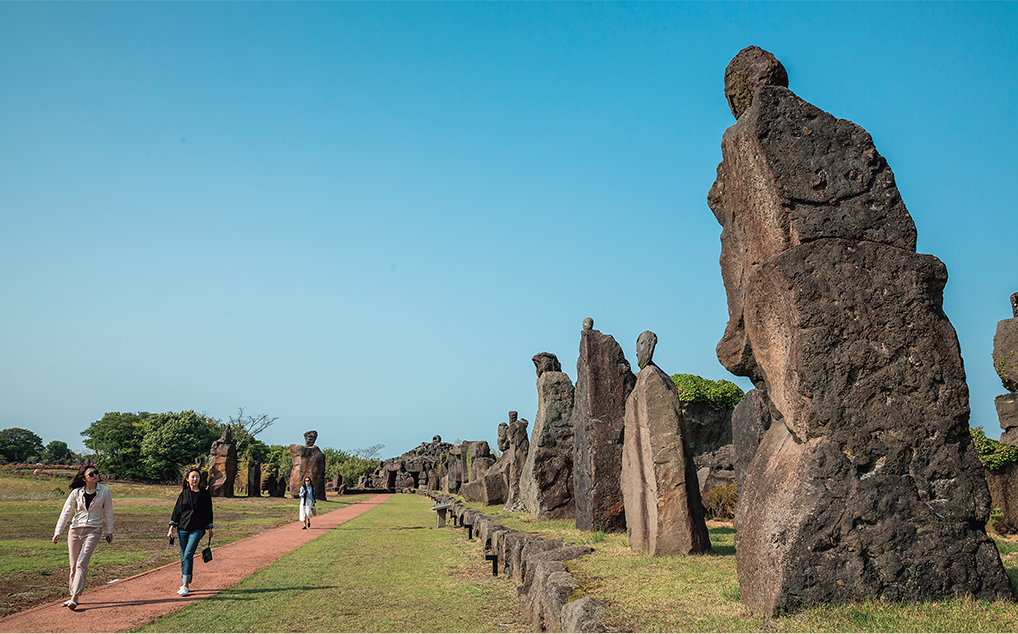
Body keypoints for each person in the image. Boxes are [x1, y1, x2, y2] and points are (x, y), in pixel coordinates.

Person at [52, 464, 114, 610]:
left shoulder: (105, 491)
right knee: (73, 566)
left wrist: (109, 531)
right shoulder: (76, 492)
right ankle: (73, 594)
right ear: (84, 478)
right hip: (74, 531)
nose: (95, 475)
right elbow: (66, 512)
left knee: (81, 563)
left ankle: (75, 597)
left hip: (93, 530)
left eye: (96, 473)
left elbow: (108, 512)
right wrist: (57, 532)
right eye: (91, 474)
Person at [166, 467, 213, 596]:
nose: (195, 479)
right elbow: (176, 511)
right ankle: (184, 581)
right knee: (183, 557)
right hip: (182, 529)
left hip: (197, 529)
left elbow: (209, 511)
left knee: (188, 554)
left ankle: (185, 585)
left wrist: (209, 527)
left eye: (197, 476)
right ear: (187, 479)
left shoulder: (205, 494)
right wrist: (171, 527)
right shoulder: (184, 494)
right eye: (192, 476)